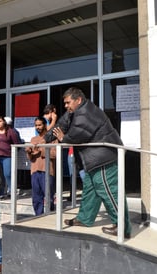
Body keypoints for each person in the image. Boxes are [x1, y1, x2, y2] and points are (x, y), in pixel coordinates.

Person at [48, 87, 132, 238]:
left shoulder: (85, 113)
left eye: (68, 103)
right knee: (90, 190)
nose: (66, 106)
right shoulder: (74, 112)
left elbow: (75, 136)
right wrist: (42, 140)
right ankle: (84, 218)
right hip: (94, 159)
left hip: (104, 158)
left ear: (78, 100)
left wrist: (63, 138)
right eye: (65, 103)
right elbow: (60, 125)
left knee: (109, 191)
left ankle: (123, 227)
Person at [25, 117, 56, 215]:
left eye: (40, 125)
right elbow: (30, 158)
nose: (38, 127)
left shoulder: (52, 138)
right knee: (36, 198)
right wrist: (29, 152)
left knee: (48, 197)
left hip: (47, 171)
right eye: (36, 125)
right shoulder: (33, 139)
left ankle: (49, 215)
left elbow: (55, 154)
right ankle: (38, 216)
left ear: (45, 125)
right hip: (35, 171)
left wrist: (41, 149)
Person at [0, 115, 21, 199]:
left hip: (7, 156)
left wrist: (13, 152)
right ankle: (1, 193)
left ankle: (12, 191)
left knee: (8, 174)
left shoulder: (10, 132)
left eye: (0, 121)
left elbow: (16, 143)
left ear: (4, 122)